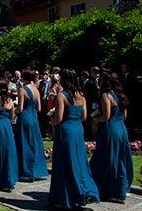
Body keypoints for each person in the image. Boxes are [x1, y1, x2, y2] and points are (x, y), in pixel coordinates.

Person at [48, 69, 99, 209]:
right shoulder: (81, 95)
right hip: (78, 129)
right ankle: (81, 191)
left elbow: (58, 118)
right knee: (78, 160)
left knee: (65, 163)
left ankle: (66, 196)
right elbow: (84, 117)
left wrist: (51, 119)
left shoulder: (61, 96)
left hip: (66, 130)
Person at [90, 72, 133, 205]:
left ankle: (106, 190)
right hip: (121, 128)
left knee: (105, 159)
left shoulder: (106, 95)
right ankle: (118, 191)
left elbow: (106, 116)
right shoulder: (121, 96)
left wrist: (96, 119)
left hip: (110, 129)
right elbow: (125, 116)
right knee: (119, 159)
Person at [14, 69, 48, 182]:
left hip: (25, 117)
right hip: (34, 117)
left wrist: (14, 112)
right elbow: (39, 108)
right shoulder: (36, 90)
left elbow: (20, 108)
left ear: (24, 77)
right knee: (35, 142)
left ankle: (25, 170)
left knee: (24, 143)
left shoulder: (22, 90)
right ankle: (37, 170)